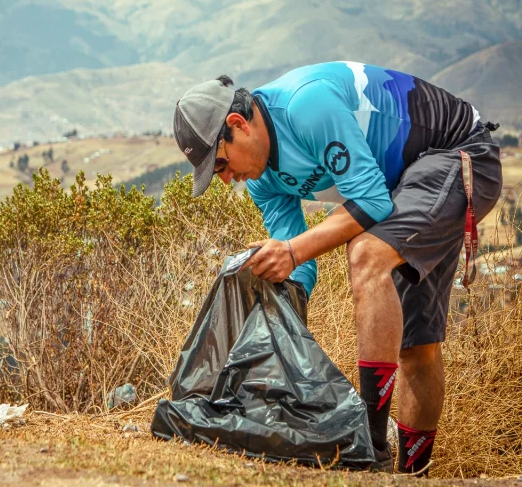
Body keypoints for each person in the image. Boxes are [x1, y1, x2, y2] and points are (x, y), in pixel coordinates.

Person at [172, 62, 502, 474]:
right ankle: (413, 476)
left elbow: (372, 204)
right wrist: (277, 329)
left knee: (365, 253)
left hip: (460, 154)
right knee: (416, 345)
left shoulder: (306, 105)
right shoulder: (261, 180)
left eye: (219, 164)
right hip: (407, 182)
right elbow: (298, 268)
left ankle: (370, 449)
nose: (226, 180)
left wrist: (290, 252)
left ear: (238, 124)